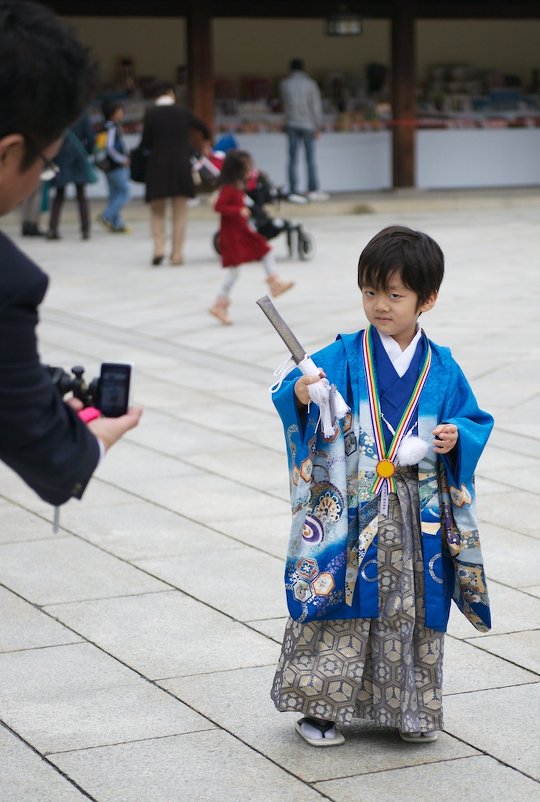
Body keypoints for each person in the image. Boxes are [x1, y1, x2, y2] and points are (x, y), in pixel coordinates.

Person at [270, 225, 493, 746]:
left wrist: (454, 435)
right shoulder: (347, 354)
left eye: (394, 295)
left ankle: (408, 710)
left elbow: (473, 418)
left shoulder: (442, 367)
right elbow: (291, 392)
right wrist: (304, 392)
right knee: (339, 599)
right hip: (350, 505)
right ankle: (319, 709)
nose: (380, 305)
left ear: (427, 299)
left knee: (408, 605)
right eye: (370, 292)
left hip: (417, 509)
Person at [0, 0, 141, 506]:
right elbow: (55, 459)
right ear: (7, 152)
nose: (40, 177)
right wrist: (96, 437)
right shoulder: (8, 285)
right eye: (44, 162)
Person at [208, 150, 294, 325]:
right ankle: (220, 304)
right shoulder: (230, 188)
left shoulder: (237, 187)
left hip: (241, 232)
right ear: (237, 170)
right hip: (233, 235)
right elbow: (218, 206)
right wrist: (237, 210)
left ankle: (272, 282)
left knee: (263, 251)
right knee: (237, 269)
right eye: (247, 168)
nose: (250, 172)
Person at [140, 80, 211, 266]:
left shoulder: (151, 114)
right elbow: (203, 127)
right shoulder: (183, 112)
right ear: (171, 93)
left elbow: (146, 143)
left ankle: (159, 248)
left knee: (157, 211)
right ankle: (177, 255)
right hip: (181, 166)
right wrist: (205, 143)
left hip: (157, 166)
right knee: (180, 213)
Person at [280, 58, 328, 202]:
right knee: (310, 158)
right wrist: (318, 125)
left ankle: (293, 189)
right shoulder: (311, 84)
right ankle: (312, 188)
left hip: (292, 123)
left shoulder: (285, 84)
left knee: (292, 159)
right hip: (308, 124)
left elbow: (285, 106)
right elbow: (315, 106)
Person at [47, 112, 95, 240]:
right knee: (81, 196)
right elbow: (90, 138)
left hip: (61, 158)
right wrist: (86, 152)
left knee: (59, 195)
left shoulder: (57, 115)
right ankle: (86, 230)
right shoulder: (82, 115)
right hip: (78, 158)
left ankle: (53, 229)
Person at [98, 101, 131, 234]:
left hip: (108, 166)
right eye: (119, 110)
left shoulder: (104, 127)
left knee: (114, 194)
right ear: (113, 113)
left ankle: (116, 224)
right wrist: (123, 159)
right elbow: (110, 148)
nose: (122, 113)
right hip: (115, 165)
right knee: (125, 193)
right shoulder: (111, 127)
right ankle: (106, 216)